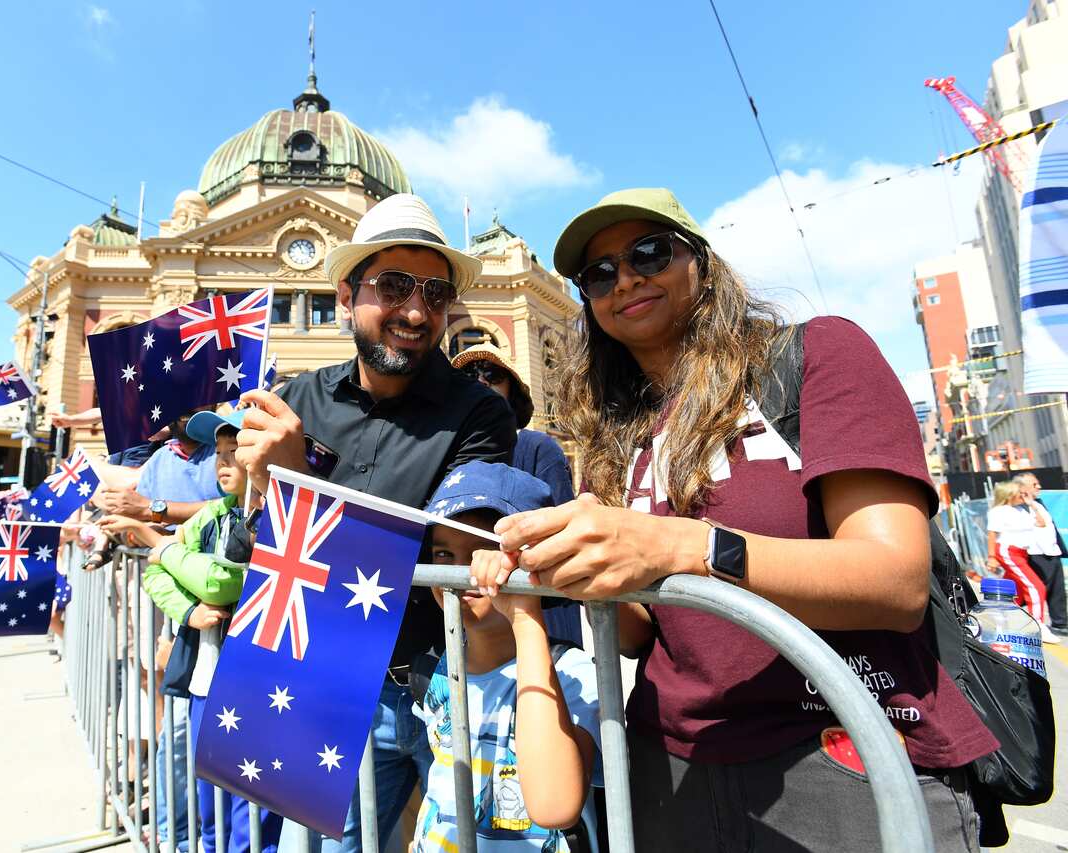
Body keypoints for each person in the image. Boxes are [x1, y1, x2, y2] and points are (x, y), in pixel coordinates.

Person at [490, 188, 998, 852]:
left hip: (843, 753)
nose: (627, 278)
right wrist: (550, 571)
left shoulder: (814, 356)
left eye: (649, 251)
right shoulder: (612, 434)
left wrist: (686, 545)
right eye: (600, 273)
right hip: (673, 765)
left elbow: (895, 582)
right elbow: (642, 629)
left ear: (701, 262)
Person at [233, 192, 516, 853]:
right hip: (331, 688)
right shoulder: (296, 402)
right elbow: (255, 549)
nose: (416, 311)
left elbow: (457, 557)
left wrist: (299, 482)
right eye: (393, 286)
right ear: (346, 296)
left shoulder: (480, 414)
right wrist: (265, 485)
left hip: (452, 691)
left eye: (436, 294)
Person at [414, 461, 601, 853]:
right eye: (444, 554)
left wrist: (523, 611)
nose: (463, 573)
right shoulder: (438, 673)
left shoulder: (571, 676)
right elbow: (441, 784)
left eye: (483, 553)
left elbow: (555, 804)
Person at [121, 409, 281, 853]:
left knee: (252, 813)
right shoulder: (212, 513)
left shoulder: (281, 518)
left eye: (236, 452)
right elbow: (157, 578)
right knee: (210, 806)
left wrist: (163, 548)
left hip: (259, 686)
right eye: (221, 453)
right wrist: (189, 610)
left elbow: (224, 581)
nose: (224, 462)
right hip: (206, 679)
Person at [450, 343, 580, 645]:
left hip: (542, 622)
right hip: (471, 637)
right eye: (469, 375)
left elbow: (565, 539)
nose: (480, 381)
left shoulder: (538, 448)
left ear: (512, 391)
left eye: (492, 374)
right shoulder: (448, 457)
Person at [987, 480, 1057, 642]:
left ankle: (996, 619)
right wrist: (991, 558)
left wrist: (1030, 503)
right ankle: (1037, 625)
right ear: (1009, 493)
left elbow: (1041, 523)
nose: (1023, 495)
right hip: (1008, 551)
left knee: (1013, 591)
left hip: (1021, 553)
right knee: (1036, 586)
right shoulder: (999, 511)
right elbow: (992, 534)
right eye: (1020, 492)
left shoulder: (1020, 510)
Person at [1014, 472, 1068, 637]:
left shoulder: (1038, 503)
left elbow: (1047, 526)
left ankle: (1060, 623)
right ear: (1023, 488)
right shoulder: (1018, 506)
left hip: (1051, 551)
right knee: (1035, 590)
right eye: (1034, 485)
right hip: (1034, 553)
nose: (1039, 487)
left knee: (1057, 590)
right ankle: (1025, 622)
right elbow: (1037, 523)